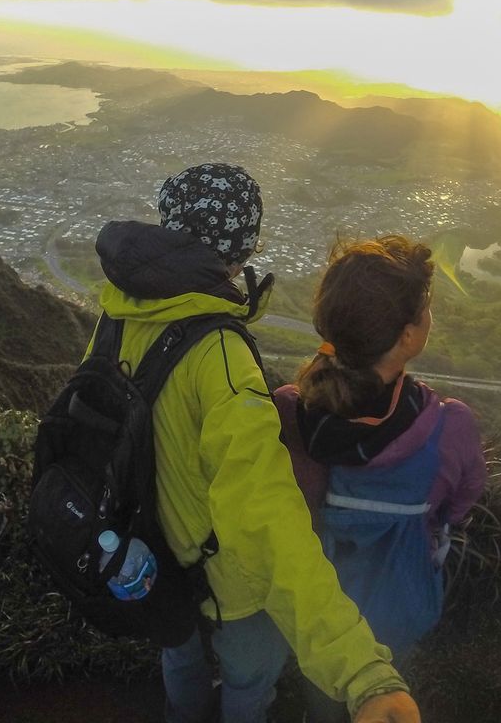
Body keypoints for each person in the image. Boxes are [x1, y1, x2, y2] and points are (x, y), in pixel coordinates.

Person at [86, 163, 420, 723]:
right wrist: (362, 673)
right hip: (227, 584)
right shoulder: (219, 353)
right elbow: (266, 514)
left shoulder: (118, 313)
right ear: (240, 251)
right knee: (248, 679)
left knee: (181, 655)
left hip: (149, 547)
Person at [272, 236, 487, 723]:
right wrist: (442, 523)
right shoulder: (449, 426)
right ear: (409, 336)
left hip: (314, 595)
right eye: (427, 308)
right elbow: (462, 498)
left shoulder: (288, 408)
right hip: (397, 599)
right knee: (386, 673)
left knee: (323, 682)